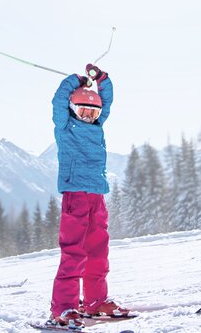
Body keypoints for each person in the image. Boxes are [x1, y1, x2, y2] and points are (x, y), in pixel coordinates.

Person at [43, 63, 127, 329]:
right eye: (83, 110)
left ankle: (95, 301)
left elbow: (108, 99)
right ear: (72, 109)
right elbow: (58, 100)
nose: (89, 116)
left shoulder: (98, 124)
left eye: (93, 112)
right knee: (74, 253)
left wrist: (101, 78)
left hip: (97, 196)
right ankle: (63, 308)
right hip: (75, 195)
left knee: (98, 251)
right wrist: (75, 80)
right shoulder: (65, 127)